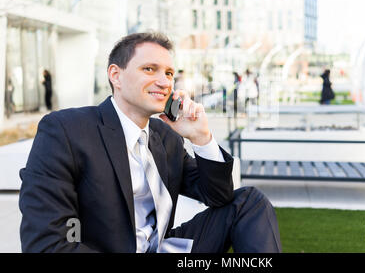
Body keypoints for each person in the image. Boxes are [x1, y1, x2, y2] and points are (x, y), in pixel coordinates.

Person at [19, 32, 281, 253]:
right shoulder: (67, 130)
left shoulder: (164, 136)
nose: (164, 81)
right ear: (116, 75)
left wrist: (201, 137)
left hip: (165, 248)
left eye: (169, 73)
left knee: (249, 201)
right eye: (149, 69)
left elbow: (218, 196)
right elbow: (46, 243)